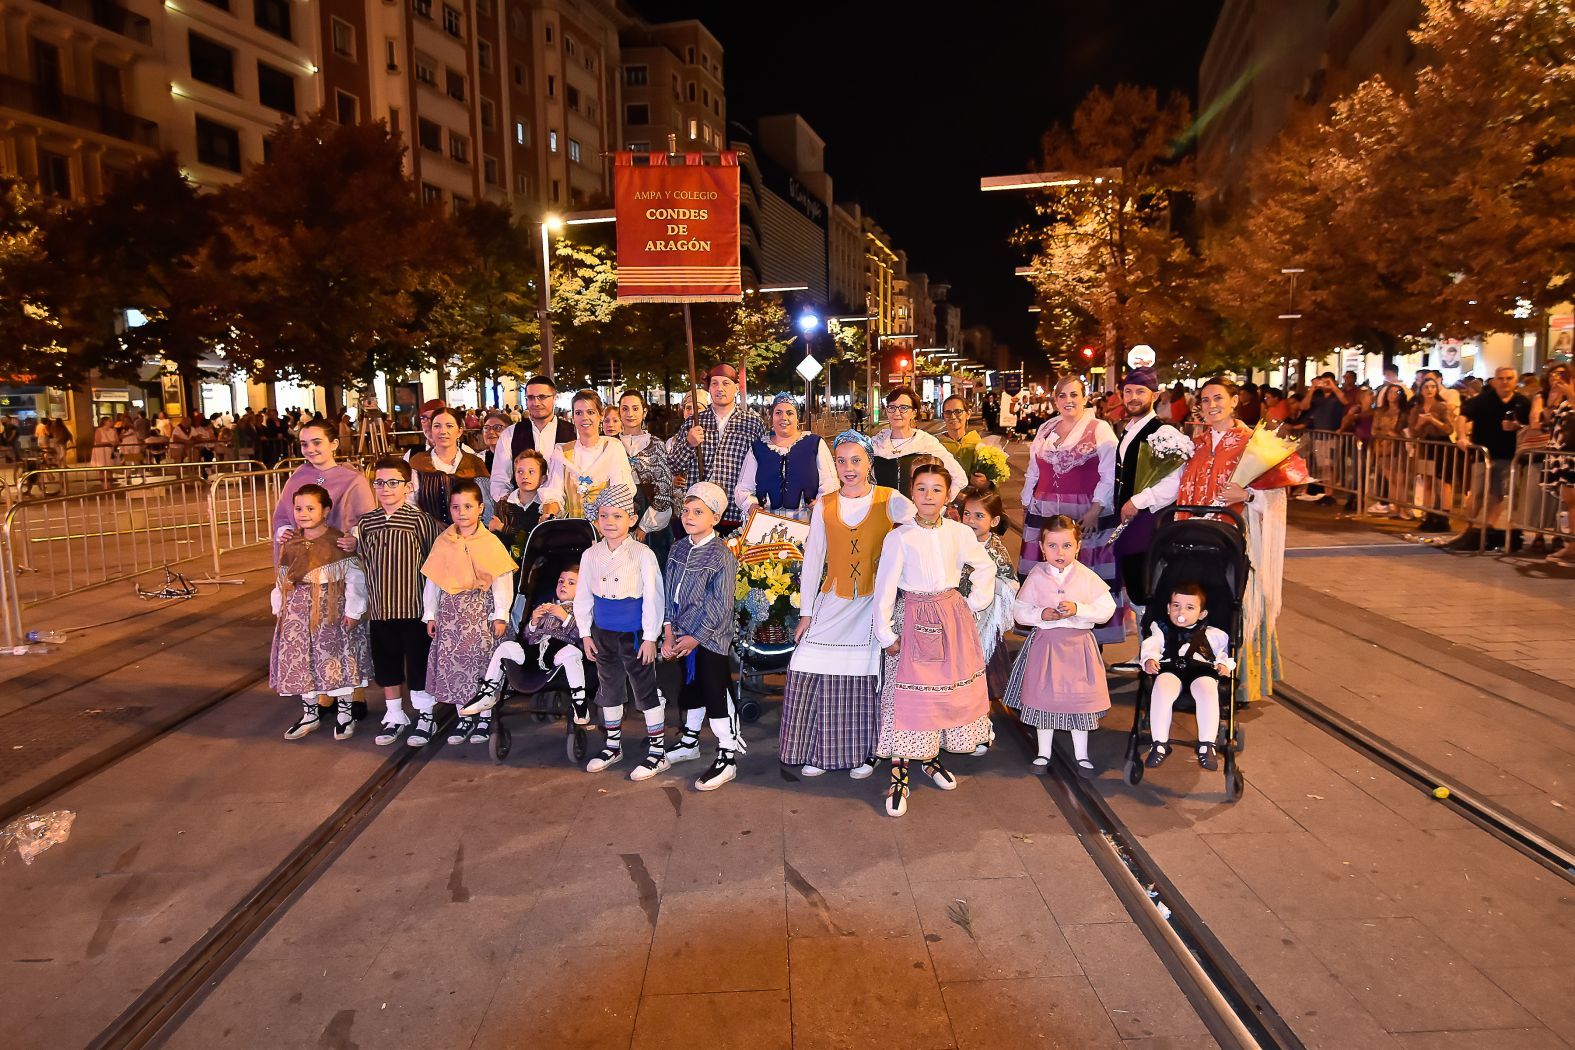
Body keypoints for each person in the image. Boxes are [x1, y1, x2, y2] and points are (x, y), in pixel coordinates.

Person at [779, 431, 914, 778]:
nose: (848, 468)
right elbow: (813, 560)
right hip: (833, 599)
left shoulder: (890, 499)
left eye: (856, 460)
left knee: (863, 677)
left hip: (873, 604)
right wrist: (807, 612)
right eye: (841, 461)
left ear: (870, 461)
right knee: (808, 664)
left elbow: (920, 528)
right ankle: (818, 748)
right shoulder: (825, 504)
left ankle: (866, 752)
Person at [870, 462, 995, 817]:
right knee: (907, 696)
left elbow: (984, 566)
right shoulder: (899, 537)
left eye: (936, 489)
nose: (928, 496)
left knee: (944, 691)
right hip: (913, 616)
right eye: (921, 488)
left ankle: (930, 757)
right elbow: (885, 588)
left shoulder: (959, 532)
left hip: (951, 615)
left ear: (947, 494)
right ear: (912, 492)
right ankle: (899, 773)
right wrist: (885, 633)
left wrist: (973, 603)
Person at [1175, 377, 1306, 704]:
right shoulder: (1197, 442)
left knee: (1231, 605)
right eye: (1205, 400)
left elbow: (1276, 498)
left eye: (1218, 398)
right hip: (1194, 540)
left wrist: (1247, 495)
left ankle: (1232, 680)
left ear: (1235, 401)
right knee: (1196, 604)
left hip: (1237, 540)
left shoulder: (1254, 443)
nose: (1211, 405)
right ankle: (1194, 678)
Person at [1005, 516, 1116, 778]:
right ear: (1042, 548)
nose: (1060, 552)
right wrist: (1041, 614)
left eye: (1066, 545)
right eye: (1052, 546)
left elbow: (1106, 609)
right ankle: (1043, 751)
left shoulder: (1087, 577)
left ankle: (1082, 754)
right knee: (1044, 698)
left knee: (1079, 701)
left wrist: (1079, 609)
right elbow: (1020, 611)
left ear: (1077, 547)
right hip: (1047, 647)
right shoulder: (1036, 575)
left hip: (1078, 648)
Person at [411, 479, 516, 748]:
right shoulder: (444, 541)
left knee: (482, 663)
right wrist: (431, 614)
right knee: (455, 665)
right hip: (452, 614)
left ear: (480, 508)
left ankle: (484, 716)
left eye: (468, 506)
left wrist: (501, 614)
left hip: (482, 613)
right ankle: (464, 715)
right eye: (456, 507)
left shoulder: (490, 542)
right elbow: (433, 581)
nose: (462, 512)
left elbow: (502, 579)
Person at [574, 484, 667, 779]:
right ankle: (613, 745)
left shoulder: (642, 553)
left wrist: (651, 636)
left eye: (618, 516)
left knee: (644, 688)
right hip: (603, 633)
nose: (610, 522)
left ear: (632, 518)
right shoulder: (590, 555)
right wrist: (585, 633)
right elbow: (583, 596)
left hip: (634, 633)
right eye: (604, 516)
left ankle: (657, 751)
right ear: (597, 519)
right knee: (609, 687)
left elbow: (654, 596)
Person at [1018, 375, 1121, 643]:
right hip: (1043, 510)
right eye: (1062, 396)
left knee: (1085, 574)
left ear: (1085, 398)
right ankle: (1045, 634)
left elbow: (1108, 473)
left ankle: (1087, 642)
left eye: (1074, 394)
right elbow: (1033, 470)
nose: (1068, 401)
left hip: (1083, 512)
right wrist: (1027, 500)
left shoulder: (1100, 428)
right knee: (1044, 574)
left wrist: (1097, 508)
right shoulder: (1045, 429)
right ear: (1055, 400)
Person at [351, 458, 443, 746]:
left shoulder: (420, 520)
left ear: (407, 486)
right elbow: (363, 562)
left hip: (413, 608)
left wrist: (431, 610)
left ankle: (425, 714)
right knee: (386, 662)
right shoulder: (367, 522)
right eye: (380, 482)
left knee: (418, 663)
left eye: (393, 482)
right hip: (380, 610)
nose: (386, 488)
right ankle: (394, 714)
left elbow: (432, 565)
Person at [271, 484, 373, 742]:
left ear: (325, 510)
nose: (303, 513)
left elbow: (355, 578)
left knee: (337, 659)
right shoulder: (292, 542)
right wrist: (280, 607)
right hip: (297, 613)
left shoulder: (336, 541)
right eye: (298, 508)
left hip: (330, 612)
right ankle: (310, 713)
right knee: (302, 660)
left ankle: (345, 713)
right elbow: (282, 577)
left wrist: (353, 610)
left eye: (310, 508)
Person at [661, 482, 745, 791]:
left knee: (713, 691)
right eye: (685, 510)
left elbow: (721, 605)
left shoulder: (721, 555)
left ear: (715, 517)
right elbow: (669, 592)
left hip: (710, 638)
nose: (689, 516)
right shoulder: (677, 548)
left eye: (698, 512)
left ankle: (727, 754)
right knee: (691, 687)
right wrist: (669, 632)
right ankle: (690, 741)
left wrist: (696, 637)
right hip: (682, 634)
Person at [459, 565, 589, 725]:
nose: (563, 585)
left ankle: (579, 701)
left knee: (572, 652)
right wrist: (534, 622)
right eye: (561, 581)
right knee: (506, 647)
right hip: (533, 653)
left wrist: (565, 617)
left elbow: (582, 637)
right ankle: (487, 693)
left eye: (571, 583)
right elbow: (527, 637)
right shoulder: (546, 606)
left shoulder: (582, 610)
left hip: (557, 653)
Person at [1140, 582, 1236, 771]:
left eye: (1189, 607)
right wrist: (1149, 659)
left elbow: (1224, 654)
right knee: (1161, 689)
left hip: (1201, 670)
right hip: (1171, 668)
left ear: (1201, 614)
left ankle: (1207, 744)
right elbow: (1151, 646)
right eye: (1176, 605)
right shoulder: (1160, 629)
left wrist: (1225, 665)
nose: (1181, 611)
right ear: (1168, 608)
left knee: (1208, 691)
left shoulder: (1214, 634)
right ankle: (1159, 743)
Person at [1111, 367, 1180, 624]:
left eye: (1140, 391)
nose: (1133, 397)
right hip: (1129, 522)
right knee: (1136, 586)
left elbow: (1173, 482)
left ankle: (1151, 655)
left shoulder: (1163, 433)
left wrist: (1137, 501)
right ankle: (1145, 653)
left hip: (1147, 522)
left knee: (1147, 587)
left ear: (1156, 395)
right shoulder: (1128, 430)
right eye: (1128, 392)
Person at [668, 363, 766, 528]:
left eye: (725, 383)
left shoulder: (753, 423)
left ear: (736, 387)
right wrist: (689, 444)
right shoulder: (694, 422)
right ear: (709, 389)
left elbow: (763, 467)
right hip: (699, 511)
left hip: (736, 510)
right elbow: (674, 466)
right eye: (714, 383)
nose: (720, 388)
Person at [1451, 366, 1533, 550]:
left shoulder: (1522, 402)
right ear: (1495, 381)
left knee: (1499, 495)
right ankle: (1468, 528)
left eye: (1509, 378)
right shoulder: (1483, 400)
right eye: (1501, 378)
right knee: (1477, 493)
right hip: (1484, 454)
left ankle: (1487, 528)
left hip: (1509, 456)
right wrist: (1462, 437)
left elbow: (1531, 425)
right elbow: (1463, 417)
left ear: (1515, 380)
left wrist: (1517, 426)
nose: (1505, 382)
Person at [271, 421, 377, 549]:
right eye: (304, 444)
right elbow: (282, 514)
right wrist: (284, 530)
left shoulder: (354, 480)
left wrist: (355, 539)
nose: (310, 449)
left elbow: (369, 521)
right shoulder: (298, 476)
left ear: (334, 444)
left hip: (339, 557)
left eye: (317, 442)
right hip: (302, 556)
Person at [958, 486, 1018, 712]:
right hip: (958, 611)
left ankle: (982, 718)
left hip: (985, 618)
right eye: (967, 514)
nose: (970, 520)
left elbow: (1010, 584)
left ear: (994, 521)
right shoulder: (958, 541)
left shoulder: (995, 549)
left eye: (979, 516)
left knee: (983, 670)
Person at [734, 392, 835, 520]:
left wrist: (821, 504)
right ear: (772, 417)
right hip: (767, 522)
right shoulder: (758, 448)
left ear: (798, 418)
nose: (784, 417)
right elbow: (743, 488)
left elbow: (830, 484)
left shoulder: (815, 444)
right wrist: (751, 505)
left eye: (790, 413)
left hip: (807, 520)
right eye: (778, 412)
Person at [540, 390, 636, 520]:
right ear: (573, 417)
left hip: (608, 530)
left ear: (600, 415)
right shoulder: (562, 451)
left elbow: (621, 494)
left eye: (590, 412)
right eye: (578, 413)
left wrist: (598, 528)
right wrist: (549, 515)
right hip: (573, 531)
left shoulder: (612, 447)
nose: (584, 418)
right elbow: (554, 492)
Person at [870, 386, 967, 498]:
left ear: (914, 413)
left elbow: (959, 478)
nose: (897, 413)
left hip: (915, 512)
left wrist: (940, 503)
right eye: (892, 407)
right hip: (883, 509)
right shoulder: (877, 443)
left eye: (903, 408)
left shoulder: (926, 442)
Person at [490, 375, 575, 501]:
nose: (536, 403)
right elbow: (500, 478)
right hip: (521, 510)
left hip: (565, 509)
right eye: (530, 398)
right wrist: (507, 502)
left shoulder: (574, 433)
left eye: (542, 397)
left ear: (555, 398)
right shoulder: (510, 433)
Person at [616, 390, 675, 561]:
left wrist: (644, 526)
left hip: (652, 518)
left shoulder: (656, 444)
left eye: (635, 408)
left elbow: (664, 490)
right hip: (619, 516)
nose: (630, 414)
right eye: (625, 409)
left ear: (644, 412)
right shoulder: (610, 444)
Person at [408, 407, 490, 527]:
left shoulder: (475, 463)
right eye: (437, 426)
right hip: (427, 534)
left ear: (460, 431)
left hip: (468, 534)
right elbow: (410, 503)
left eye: (449, 426)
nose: (443, 431)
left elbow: (486, 506)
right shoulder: (417, 462)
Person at [1532, 362, 1574, 564]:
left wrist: (1568, 392)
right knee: (1569, 499)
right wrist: (1552, 399)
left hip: (1572, 454)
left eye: (1561, 375)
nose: (1556, 378)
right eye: (1553, 375)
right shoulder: (1557, 399)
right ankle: (1572, 545)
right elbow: (1541, 422)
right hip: (1560, 453)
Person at [1406, 375, 1458, 531]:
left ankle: (1444, 516)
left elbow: (1449, 428)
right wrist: (1421, 423)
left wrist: (1433, 420)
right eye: (1426, 387)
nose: (1429, 390)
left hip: (1442, 445)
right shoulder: (1416, 408)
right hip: (1425, 447)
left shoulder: (1443, 406)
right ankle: (1428, 514)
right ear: (1420, 390)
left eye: (1432, 387)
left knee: (1443, 482)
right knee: (1427, 481)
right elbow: (1413, 432)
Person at [936, 395, 984, 481]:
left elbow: (992, 479)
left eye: (958, 411)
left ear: (968, 414)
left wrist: (986, 483)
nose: (953, 417)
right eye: (948, 413)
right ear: (943, 416)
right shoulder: (935, 445)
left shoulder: (980, 445)